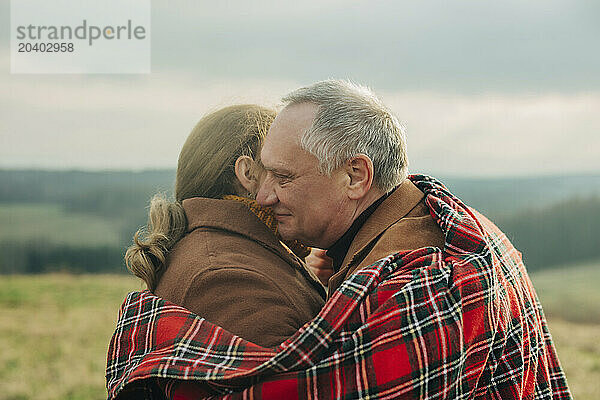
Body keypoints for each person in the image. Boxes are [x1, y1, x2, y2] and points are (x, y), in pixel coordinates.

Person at [107, 84, 571, 399]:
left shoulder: (418, 281)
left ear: (355, 175)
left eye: (284, 177)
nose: (264, 195)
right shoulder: (435, 226)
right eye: (263, 173)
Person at [124, 104, 325, 349]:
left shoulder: (222, 253)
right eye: (281, 171)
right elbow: (295, 384)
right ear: (248, 173)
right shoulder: (227, 278)